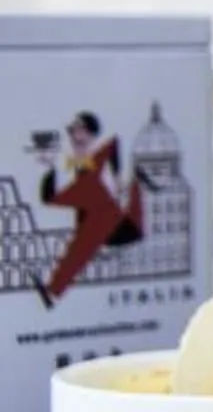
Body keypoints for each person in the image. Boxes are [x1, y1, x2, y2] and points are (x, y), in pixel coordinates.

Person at [36, 111, 144, 309]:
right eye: (71, 130)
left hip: (116, 221)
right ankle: (53, 292)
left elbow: (111, 147)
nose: (72, 134)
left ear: (89, 132)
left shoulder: (96, 160)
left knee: (80, 248)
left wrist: (119, 177)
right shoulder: (83, 163)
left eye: (77, 129)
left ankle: (53, 291)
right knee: (79, 249)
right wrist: (52, 166)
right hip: (103, 216)